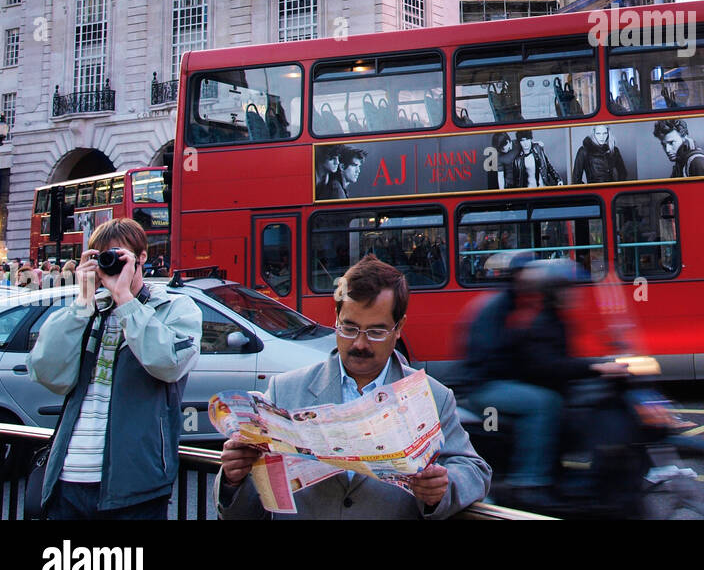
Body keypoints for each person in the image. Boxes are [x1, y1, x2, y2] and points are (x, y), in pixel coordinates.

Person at [218, 256, 490, 519]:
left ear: (398, 328)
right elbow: (250, 505)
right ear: (336, 317)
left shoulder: (433, 396)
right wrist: (233, 479)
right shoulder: (285, 390)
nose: (360, 344)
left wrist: (443, 486)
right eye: (349, 328)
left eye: (376, 332)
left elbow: (475, 470)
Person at [28, 218, 202, 520]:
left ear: (141, 258)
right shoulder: (88, 311)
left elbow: (168, 364)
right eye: (102, 258)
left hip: (134, 484)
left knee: (126, 568)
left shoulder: (175, 309)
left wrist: (125, 299)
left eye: (118, 257)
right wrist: (82, 302)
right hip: (67, 478)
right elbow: (47, 372)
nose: (111, 266)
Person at [462, 257, 623, 510]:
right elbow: (496, 355)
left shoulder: (524, 304)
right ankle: (529, 481)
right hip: (486, 383)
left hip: (502, 378)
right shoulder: (499, 306)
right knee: (544, 402)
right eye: (528, 273)